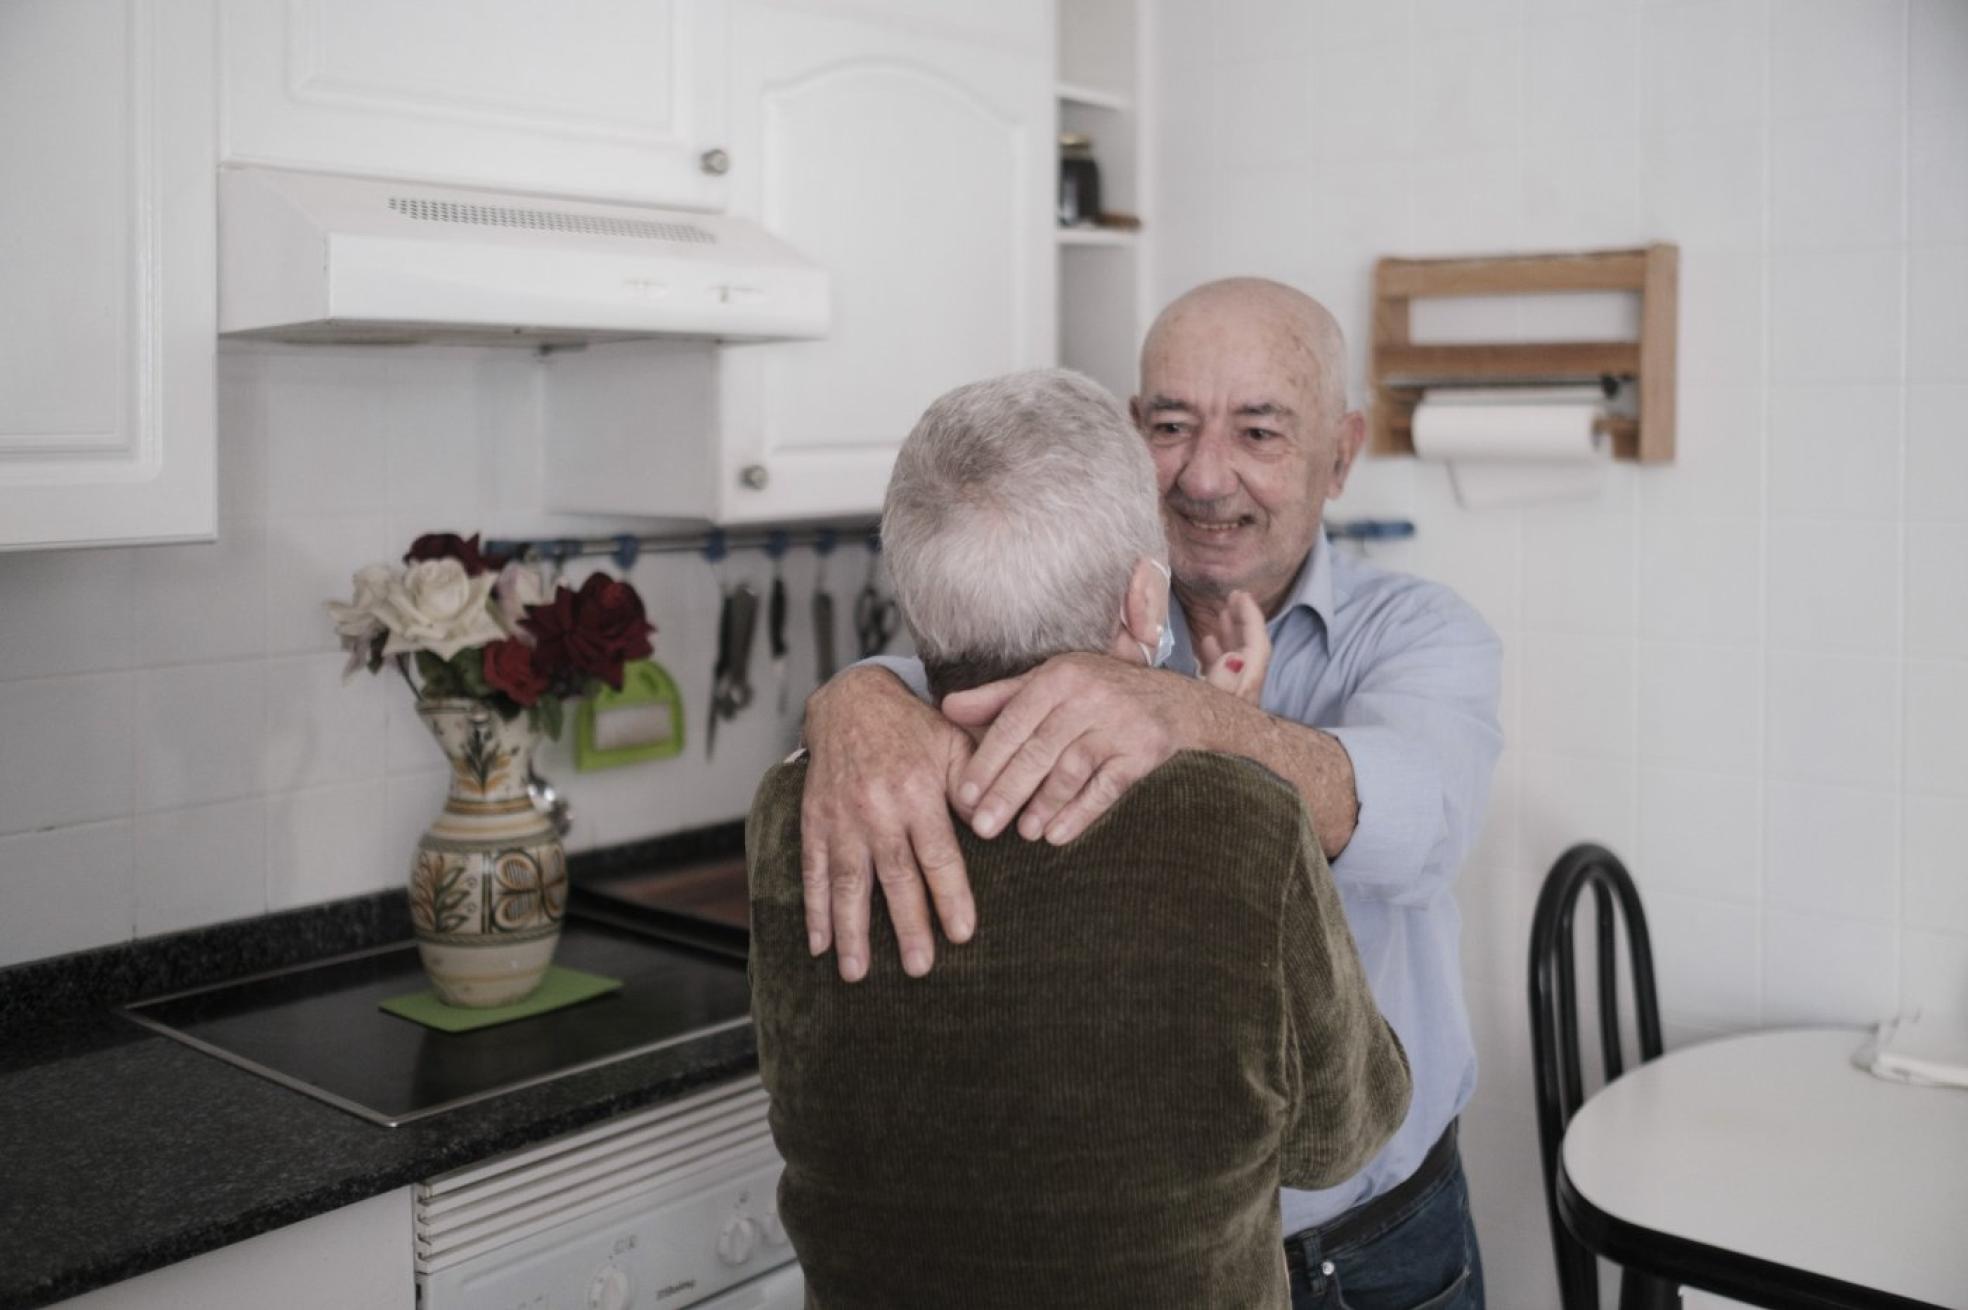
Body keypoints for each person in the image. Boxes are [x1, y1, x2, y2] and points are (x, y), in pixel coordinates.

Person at [798, 280, 1504, 1309]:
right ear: (1133, 435)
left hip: (1373, 1250)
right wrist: (853, 694)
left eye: (1260, 431)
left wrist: (1200, 722)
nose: (1206, 476)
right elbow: (943, 678)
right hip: (1144, 1268)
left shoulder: (1421, 634)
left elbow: (1422, 824)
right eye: (1171, 425)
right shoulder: (1063, 605)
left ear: (1341, 452)